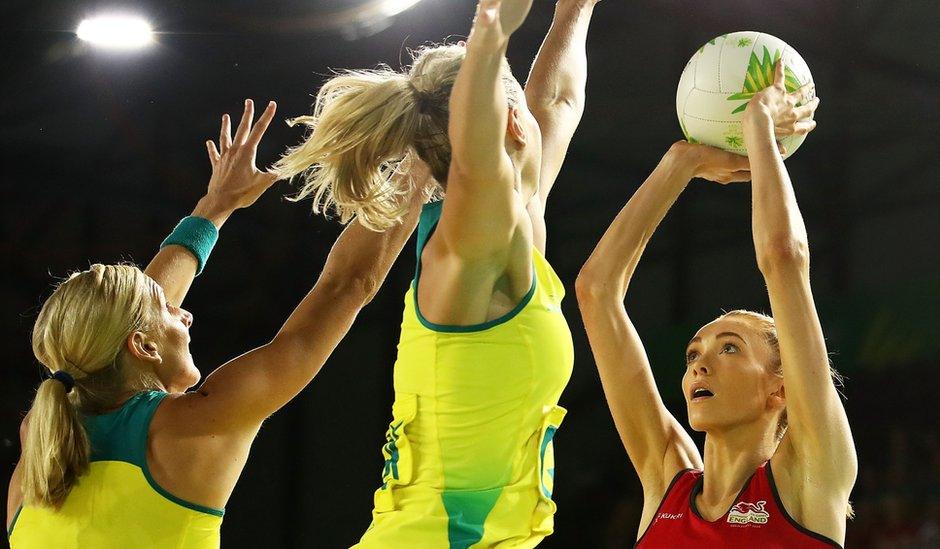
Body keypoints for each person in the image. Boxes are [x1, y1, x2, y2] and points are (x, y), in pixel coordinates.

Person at [6, 99, 431, 548]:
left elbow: (125, 326)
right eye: (169, 309)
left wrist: (215, 207)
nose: (184, 310)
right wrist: (423, 160)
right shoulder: (194, 424)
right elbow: (346, 285)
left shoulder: (41, 448)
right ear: (144, 347)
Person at [275, 0, 600, 545]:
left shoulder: (518, 222)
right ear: (511, 122)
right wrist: (491, 31)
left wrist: (575, 9)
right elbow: (480, 160)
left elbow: (560, 102)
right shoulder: (472, 246)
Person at [576, 61, 857, 547]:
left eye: (729, 349)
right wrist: (679, 163)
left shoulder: (809, 475)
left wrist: (759, 130)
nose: (699, 366)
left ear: (779, 389)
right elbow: (596, 291)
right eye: (692, 355)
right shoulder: (667, 483)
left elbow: (783, 258)